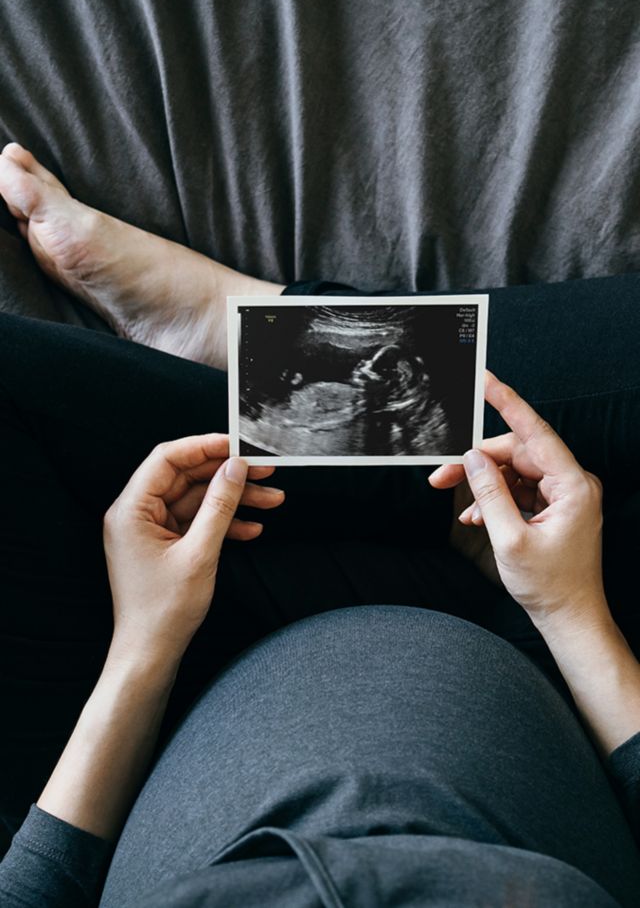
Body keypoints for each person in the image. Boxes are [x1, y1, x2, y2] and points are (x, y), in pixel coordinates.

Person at [0, 143, 639, 905]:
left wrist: (144, 644)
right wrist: (569, 611)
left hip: (134, 720)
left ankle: (257, 343)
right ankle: (262, 342)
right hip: (570, 678)